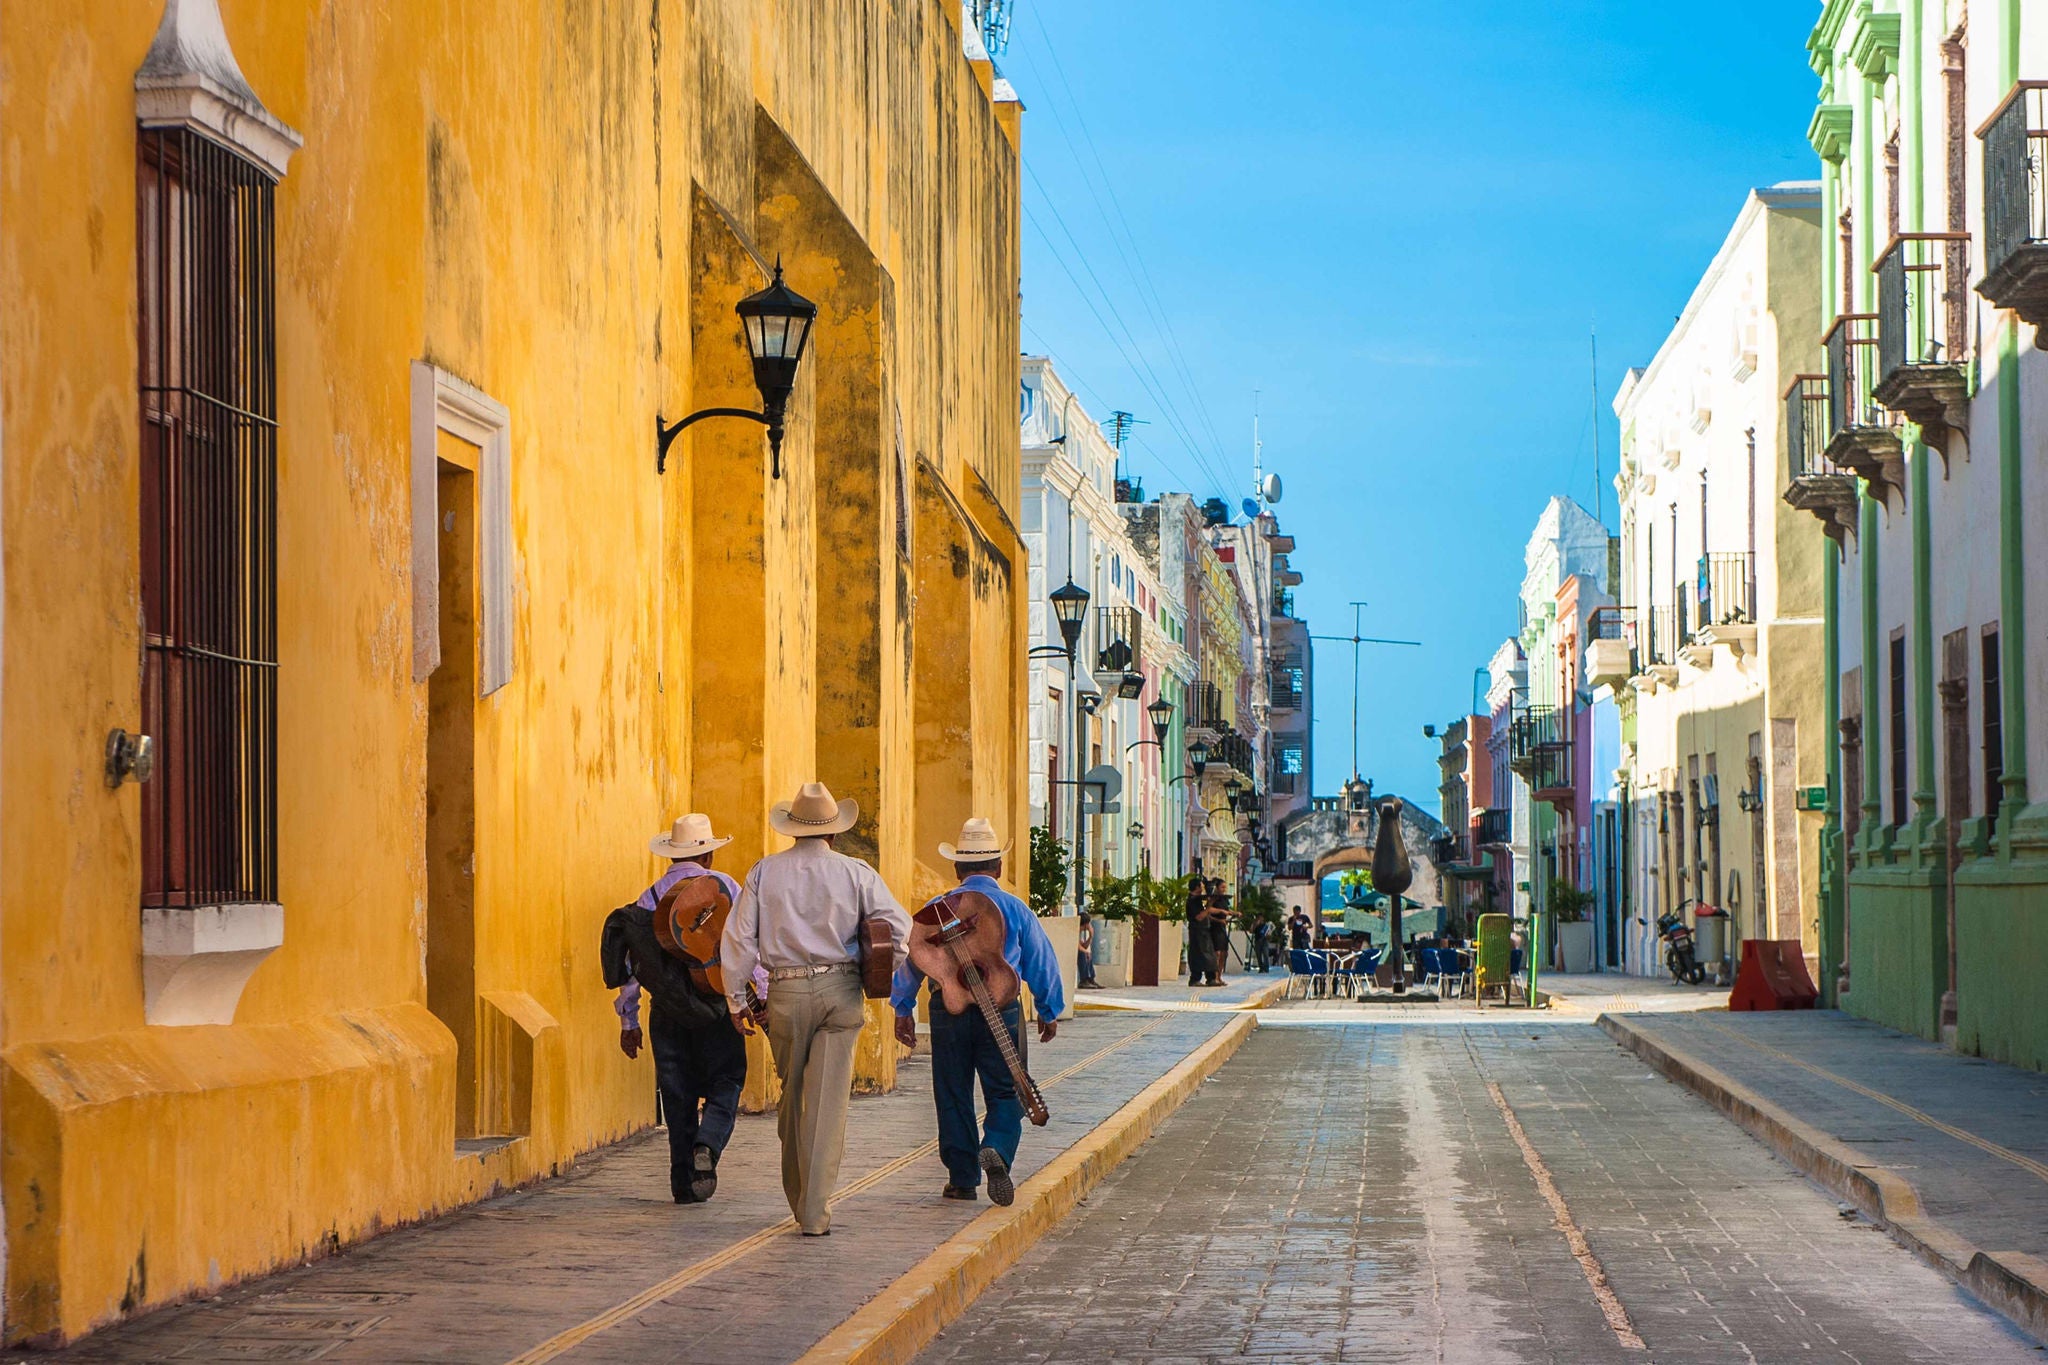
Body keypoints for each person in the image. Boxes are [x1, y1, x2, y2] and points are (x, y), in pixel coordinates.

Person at [721, 782, 911, 1237]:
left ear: (793, 830)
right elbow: (901, 934)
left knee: (792, 1097)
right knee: (827, 1104)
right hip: (840, 989)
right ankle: (814, 1211)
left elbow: (739, 939)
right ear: (833, 832)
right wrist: (873, 973)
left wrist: (734, 999)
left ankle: (798, 1195)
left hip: (785, 993)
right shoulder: (856, 872)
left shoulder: (764, 872)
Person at [892, 819, 1062, 1206]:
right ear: (998, 868)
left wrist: (902, 1007)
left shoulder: (938, 911)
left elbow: (915, 960)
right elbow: (1041, 961)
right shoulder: (1013, 908)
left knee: (952, 1091)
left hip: (947, 1009)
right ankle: (998, 1148)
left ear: (957, 870)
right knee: (1006, 1089)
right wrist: (1049, 1010)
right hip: (1002, 1009)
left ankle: (962, 1178)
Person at [600, 813, 748, 1204]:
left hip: (667, 1012)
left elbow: (634, 968)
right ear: (709, 858)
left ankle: (685, 1185)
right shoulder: (726, 888)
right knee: (728, 1080)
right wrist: (754, 999)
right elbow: (747, 949)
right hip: (717, 1005)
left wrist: (628, 1021)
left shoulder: (648, 900)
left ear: (671, 857)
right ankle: (709, 1144)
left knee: (677, 1094)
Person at [1184, 878, 1216, 986]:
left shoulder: (1197, 900)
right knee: (1198, 955)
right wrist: (1209, 906)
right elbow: (1199, 917)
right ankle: (1195, 979)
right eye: (1201, 886)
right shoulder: (1192, 901)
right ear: (1197, 887)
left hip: (1204, 931)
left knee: (1209, 955)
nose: (1202, 889)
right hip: (1197, 932)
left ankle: (1211, 978)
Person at [1205, 878, 1233, 986]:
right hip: (1214, 928)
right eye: (1222, 887)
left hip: (1222, 929)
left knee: (1224, 953)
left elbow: (1227, 910)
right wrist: (1219, 919)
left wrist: (1234, 913)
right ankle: (1214, 976)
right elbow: (1208, 911)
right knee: (1217, 953)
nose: (1224, 889)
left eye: (1225, 887)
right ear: (1217, 888)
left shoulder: (1224, 899)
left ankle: (1220, 976)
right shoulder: (1213, 899)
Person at [1076, 911, 1104, 989]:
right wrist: (1086, 952)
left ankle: (1091, 979)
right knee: (1084, 954)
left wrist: (1090, 937)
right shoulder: (1074, 930)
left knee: (1086, 953)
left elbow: (1083, 946)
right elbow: (1077, 946)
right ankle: (1083, 980)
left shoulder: (1079, 932)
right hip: (1069, 952)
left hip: (1077, 951)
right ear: (1085, 924)